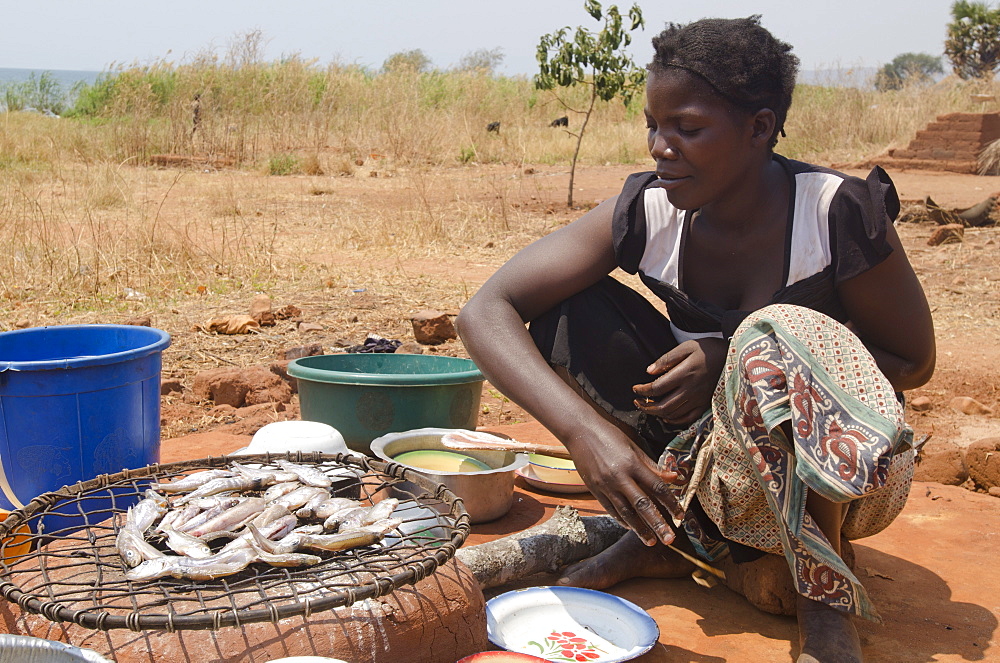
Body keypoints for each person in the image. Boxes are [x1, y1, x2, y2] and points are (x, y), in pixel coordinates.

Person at [455, 16, 935, 663]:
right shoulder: (652, 210)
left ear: (759, 128)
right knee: (569, 309)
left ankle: (821, 594)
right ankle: (669, 533)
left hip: (851, 483)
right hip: (715, 473)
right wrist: (583, 432)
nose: (661, 145)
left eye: (688, 128)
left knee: (776, 332)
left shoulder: (833, 211)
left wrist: (733, 356)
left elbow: (913, 359)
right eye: (654, 125)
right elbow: (485, 310)